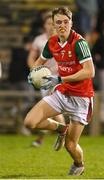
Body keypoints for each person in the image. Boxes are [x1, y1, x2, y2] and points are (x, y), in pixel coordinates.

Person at [24, 7, 95, 176]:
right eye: (58, 22)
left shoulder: (80, 43)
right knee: (30, 122)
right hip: (62, 92)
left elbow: (89, 72)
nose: (62, 25)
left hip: (81, 97)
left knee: (71, 146)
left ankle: (79, 164)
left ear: (71, 22)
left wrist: (61, 79)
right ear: (54, 25)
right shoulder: (52, 42)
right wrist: (33, 74)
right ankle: (61, 129)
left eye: (65, 21)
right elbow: (39, 62)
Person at [28, 11, 66, 147]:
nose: (51, 26)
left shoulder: (63, 40)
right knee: (49, 110)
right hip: (45, 79)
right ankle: (43, 138)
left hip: (61, 79)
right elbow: (31, 59)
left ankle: (62, 133)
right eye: (48, 23)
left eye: (53, 23)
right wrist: (34, 73)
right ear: (44, 25)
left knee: (53, 108)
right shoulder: (39, 40)